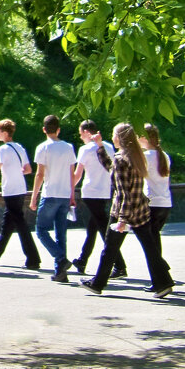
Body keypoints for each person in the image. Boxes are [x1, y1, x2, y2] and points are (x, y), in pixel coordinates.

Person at [81, 123, 174, 297]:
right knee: (149, 247)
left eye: (114, 134)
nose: (113, 137)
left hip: (123, 211)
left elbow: (124, 192)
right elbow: (112, 170)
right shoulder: (136, 157)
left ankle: (97, 283)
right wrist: (100, 146)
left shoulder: (121, 158)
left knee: (109, 249)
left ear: (121, 138)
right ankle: (164, 282)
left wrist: (122, 220)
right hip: (140, 209)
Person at [0, 119, 41, 269]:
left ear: (5, 133)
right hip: (20, 188)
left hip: (10, 190)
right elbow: (28, 169)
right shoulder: (19, 147)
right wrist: (17, 171)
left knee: (20, 224)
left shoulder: (2, 150)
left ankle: (33, 258)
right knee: (8, 223)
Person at [72, 119, 126, 277]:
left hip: (90, 192)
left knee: (103, 229)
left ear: (87, 133)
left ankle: (120, 265)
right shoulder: (108, 146)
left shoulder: (85, 149)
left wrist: (69, 190)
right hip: (104, 191)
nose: (81, 137)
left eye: (81, 133)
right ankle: (82, 260)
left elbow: (78, 174)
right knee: (93, 228)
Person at [30, 114, 78, 282]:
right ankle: (60, 272)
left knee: (41, 230)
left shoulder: (43, 148)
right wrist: (72, 195)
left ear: (44, 129)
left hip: (50, 194)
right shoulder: (68, 147)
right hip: (65, 194)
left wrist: (33, 197)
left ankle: (61, 259)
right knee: (61, 233)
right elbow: (71, 173)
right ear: (59, 129)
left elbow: (40, 174)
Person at [140, 123, 172, 271]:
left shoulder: (146, 156)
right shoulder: (164, 155)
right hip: (165, 203)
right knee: (154, 239)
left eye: (139, 135)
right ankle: (161, 269)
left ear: (146, 138)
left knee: (151, 243)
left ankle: (160, 273)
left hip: (151, 203)